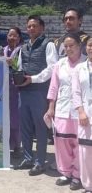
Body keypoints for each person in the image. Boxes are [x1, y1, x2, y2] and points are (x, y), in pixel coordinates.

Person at [15, 15, 58, 176]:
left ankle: (40, 162)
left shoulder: (49, 45)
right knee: (24, 126)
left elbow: (52, 68)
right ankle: (27, 158)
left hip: (39, 91)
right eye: (29, 26)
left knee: (40, 128)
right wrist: (17, 77)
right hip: (24, 91)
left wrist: (33, 79)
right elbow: (20, 66)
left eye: (34, 26)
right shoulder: (23, 47)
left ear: (42, 28)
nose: (31, 29)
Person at [45, 33, 85, 190]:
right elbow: (53, 87)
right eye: (66, 46)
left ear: (79, 46)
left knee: (79, 144)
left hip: (81, 112)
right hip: (62, 110)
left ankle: (77, 175)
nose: (68, 49)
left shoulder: (86, 63)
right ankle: (66, 172)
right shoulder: (59, 64)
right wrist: (51, 107)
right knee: (62, 143)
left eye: (72, 46)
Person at [72, 38, 92, 193]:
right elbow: (76, 92)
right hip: (85, 114)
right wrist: (81, 111)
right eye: (90, 45)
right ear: (86, 48)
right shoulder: (79, 68)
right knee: (85, 152)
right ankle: (88, 185)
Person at [4, 27, 23, 158]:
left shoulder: (22, 50)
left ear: (19, 38)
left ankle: (17, 146)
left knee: (16, 118)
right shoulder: (2, 50)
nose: (12, 38)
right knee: (5, 118)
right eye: (10, 35)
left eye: (14, 36)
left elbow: (23, 67)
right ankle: (7, 145)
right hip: (4, 89)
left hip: (17, 89)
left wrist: (13, 62)